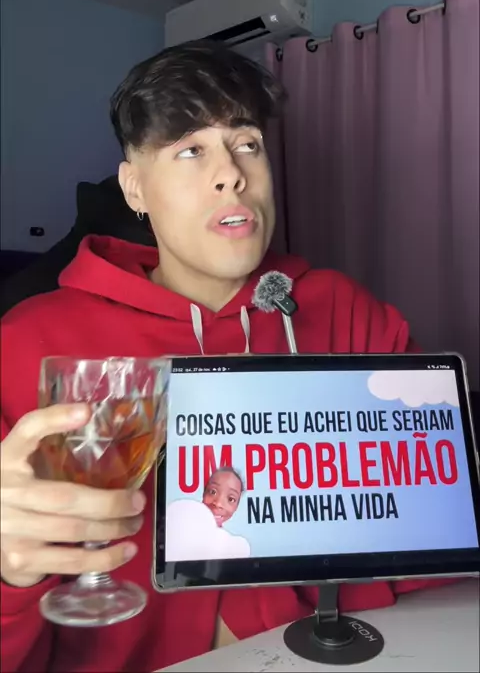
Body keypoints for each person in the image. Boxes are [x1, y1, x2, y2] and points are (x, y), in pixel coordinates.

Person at [0, 40, 449, 673]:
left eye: (247, 144)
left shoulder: (349, 313)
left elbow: (432, 556)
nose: (231, 173)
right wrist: (8, 576)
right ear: (134, 188)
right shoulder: (28, 342)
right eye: (190, 150)